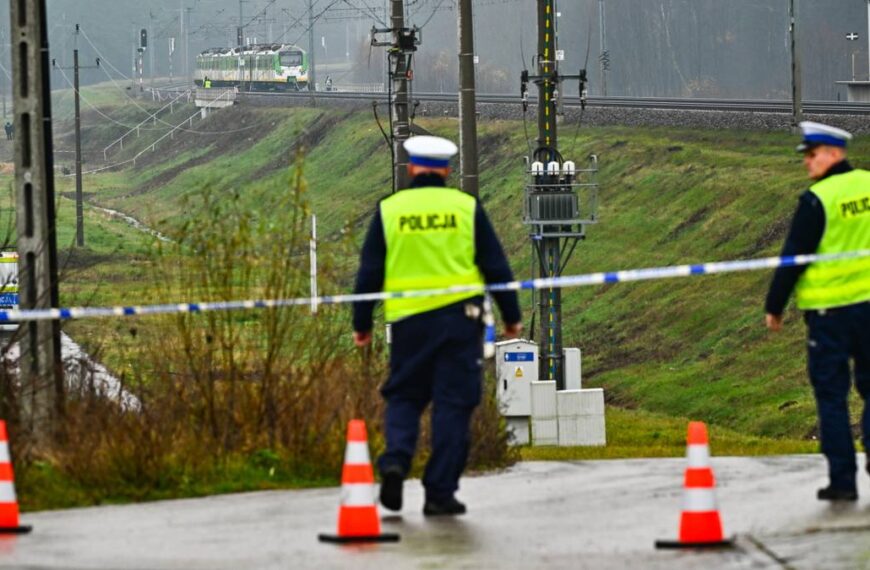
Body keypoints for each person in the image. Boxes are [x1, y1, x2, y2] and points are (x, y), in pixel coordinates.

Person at [352, 135, 523, 516]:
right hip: (460, 325)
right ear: (446, 170)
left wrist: (361, 323)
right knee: (453, 404)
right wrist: (511, 315)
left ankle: (395, 460)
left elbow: (369, 272)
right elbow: (495, 265)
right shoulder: (466, 208)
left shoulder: (389, 210)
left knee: (405, 396)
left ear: (412, 168)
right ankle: (439, 492)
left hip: (408, 324)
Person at [765, 121, 870, 502]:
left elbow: (794, 257)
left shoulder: (817, 200)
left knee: (832, 396)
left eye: (812, 155)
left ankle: (842, 482)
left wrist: (774, 305)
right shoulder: (869, 184)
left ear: (834, 154)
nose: (807, 163)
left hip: (830, 317)